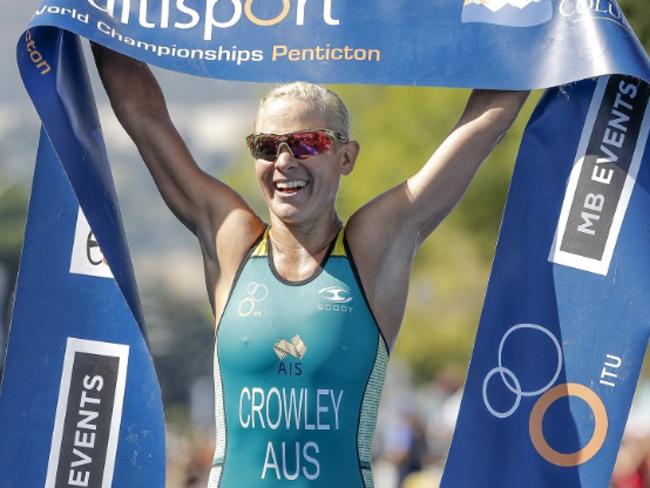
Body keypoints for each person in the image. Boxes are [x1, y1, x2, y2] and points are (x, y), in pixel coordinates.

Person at [92, 44, 529, 487]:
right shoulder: (232, 241)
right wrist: (91, 18)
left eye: (307, 142)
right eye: (267, 146)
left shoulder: (371, 249)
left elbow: (486, 119)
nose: (284, 161)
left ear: (346, 156)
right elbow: (143, 115)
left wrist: (540, 25)